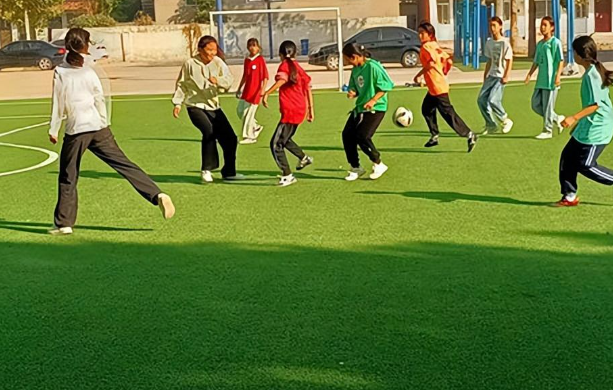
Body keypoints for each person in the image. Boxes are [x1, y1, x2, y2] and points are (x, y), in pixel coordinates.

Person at [48, 28, 174, 236]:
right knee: (125, 165)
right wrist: (103, 123)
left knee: (68, 175)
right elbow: (99, 98)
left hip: (77, 130)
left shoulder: (61, 72)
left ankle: (64, 223)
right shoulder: (89, 70)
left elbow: (58, 102)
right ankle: (157, 194)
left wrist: (54, 129)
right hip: (98, 127)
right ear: (85, 46)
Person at [172, 35, 243, 183]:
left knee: (230, 138)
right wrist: (177, 103)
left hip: (213, 106)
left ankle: (229, 172)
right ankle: (206, 170)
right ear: (200, 50)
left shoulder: (218, 63)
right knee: (208, 131)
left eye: (214, 50)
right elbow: (182, 84)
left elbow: (229, 80)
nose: (212, 53)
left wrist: (218, 81)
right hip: (195, 105)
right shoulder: (189, 64)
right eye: (209, 50)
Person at [556, 36, 613, 207]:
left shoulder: (592, 75)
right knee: (567, 157)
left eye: (573, 51)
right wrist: (578, 126)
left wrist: (573, 118)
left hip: (599, 128)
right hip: (588, 126)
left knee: (585, 164)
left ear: (580, 55)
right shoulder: (591, 71)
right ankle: (569, 195)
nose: (572, 54)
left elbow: (595, 105)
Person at [413, 22, 478, 152]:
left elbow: (431, 63)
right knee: (426, 109)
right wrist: (443, 73)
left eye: (422, 33)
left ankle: (469, 134)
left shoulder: (426, 47)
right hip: (436, 85)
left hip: (437, 87)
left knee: (448, 114)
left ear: (430, 34)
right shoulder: (435, 46)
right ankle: (435, 135)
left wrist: (419, 75)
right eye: (419, 33)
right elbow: (448, 61)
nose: (420, 36)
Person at [262, 40, 315, 187]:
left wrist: (267, 92)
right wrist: (311, 110)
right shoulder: (299, 67)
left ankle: (287, 175)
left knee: (275, 144)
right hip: (300, 109)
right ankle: (303, 157)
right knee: (285, 139)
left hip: (290, 110)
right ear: (295, 53)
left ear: (280, 54)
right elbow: (308, 88)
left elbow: (282, 79)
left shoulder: (285, 65)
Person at [342, 43, 394, 181]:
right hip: (360, 107)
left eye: (347, 59)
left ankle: (378, 163)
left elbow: (387, 85)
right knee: (347, 135)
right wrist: (352, 92)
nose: (346, 62)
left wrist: (373, 100)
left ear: (354, 56)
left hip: (376, 108)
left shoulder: (373, 67)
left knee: (363, 136)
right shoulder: (355, 70)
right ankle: (356, 167)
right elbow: (355, 88)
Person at [524, 16, 565, 140]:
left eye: (545, 25)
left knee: (547, 106)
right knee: (535, 104)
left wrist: (558, 76)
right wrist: (530, 74)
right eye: (541, 25)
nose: (542, 27)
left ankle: (547, 130)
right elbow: (536, 61)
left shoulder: (555, 42)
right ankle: (557, 118)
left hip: (550, 81)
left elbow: (560, 61)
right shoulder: (540, 44)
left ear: (552, 27)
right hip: (540, 80)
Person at [477, 16, 514, 135]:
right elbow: (489, 60)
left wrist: (506, 75)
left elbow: (509, 60)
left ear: (500, 27)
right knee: (481, 100)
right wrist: (485, 75)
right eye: (491, 26)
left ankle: (505, 119)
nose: (492, 28)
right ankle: (491, 125)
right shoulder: (489, 42)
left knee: (493, 100)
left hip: (500, 76)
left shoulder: (505, 43)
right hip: (491, 76)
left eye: (494, 25)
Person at [236, 38, 269, 145]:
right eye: (250, 45)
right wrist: (239, 88)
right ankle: (255, 126)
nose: (252, 48)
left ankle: (250, 136)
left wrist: (262, 90)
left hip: (256, 92)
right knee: (240, 111)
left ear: (258, 47)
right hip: (247, 90)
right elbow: (245, 76)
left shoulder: (260, 60)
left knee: (248, 114)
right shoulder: (247, 60)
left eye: (254, 45)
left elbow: (265, 77)